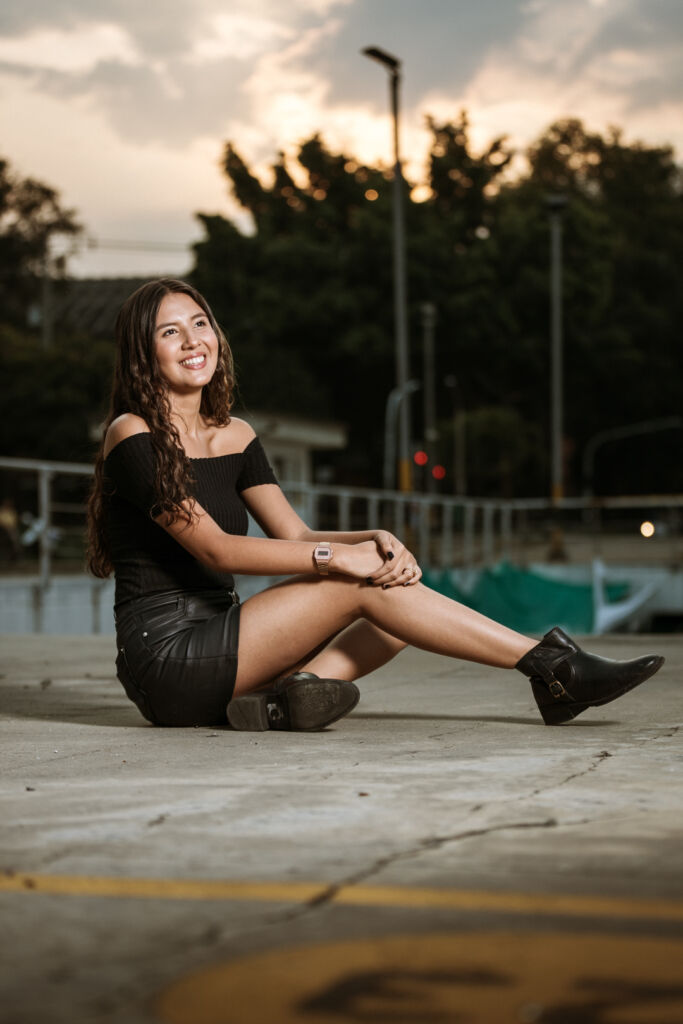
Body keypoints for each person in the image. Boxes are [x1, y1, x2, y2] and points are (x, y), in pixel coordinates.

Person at [87, 278, 664, 731]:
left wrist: (371, 540)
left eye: (200, 323)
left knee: (392, 581)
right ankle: (551, 668)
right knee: (361, 584)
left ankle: (291, 696)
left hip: (229, 642)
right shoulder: (132, 434)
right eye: (170, 333)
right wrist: (336, 562)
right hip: (167, 656)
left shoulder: (236, 434)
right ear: (143, 353)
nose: (193, 342)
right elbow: (215, 547)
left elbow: (294, 533)